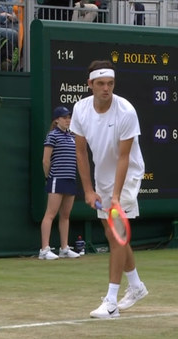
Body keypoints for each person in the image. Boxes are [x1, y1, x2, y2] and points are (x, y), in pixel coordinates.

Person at [71, 60, 148, 319]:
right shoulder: (80, 110)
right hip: (102, 175)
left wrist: (115, 196)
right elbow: (80, 152)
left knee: (116, 236)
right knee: (110, 231)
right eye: (101, 84)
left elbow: (124, 157)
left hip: (127, 175)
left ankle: (112, 302)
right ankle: (136, 286)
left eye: (111, 84)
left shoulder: (126, 111)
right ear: (90, 84)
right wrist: (88, 190)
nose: (106, 89)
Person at [39, 105, 81, 260]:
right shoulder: (52, 135)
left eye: (69, 117)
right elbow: (45, 160)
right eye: (64, 118)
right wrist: (48, 177)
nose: (68, 120)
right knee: (50, 214)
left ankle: (64, 248)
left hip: (70, 179)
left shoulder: (73, 136)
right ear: (57, 120)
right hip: (56, 178)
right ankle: (44, 250)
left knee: (65, 215)